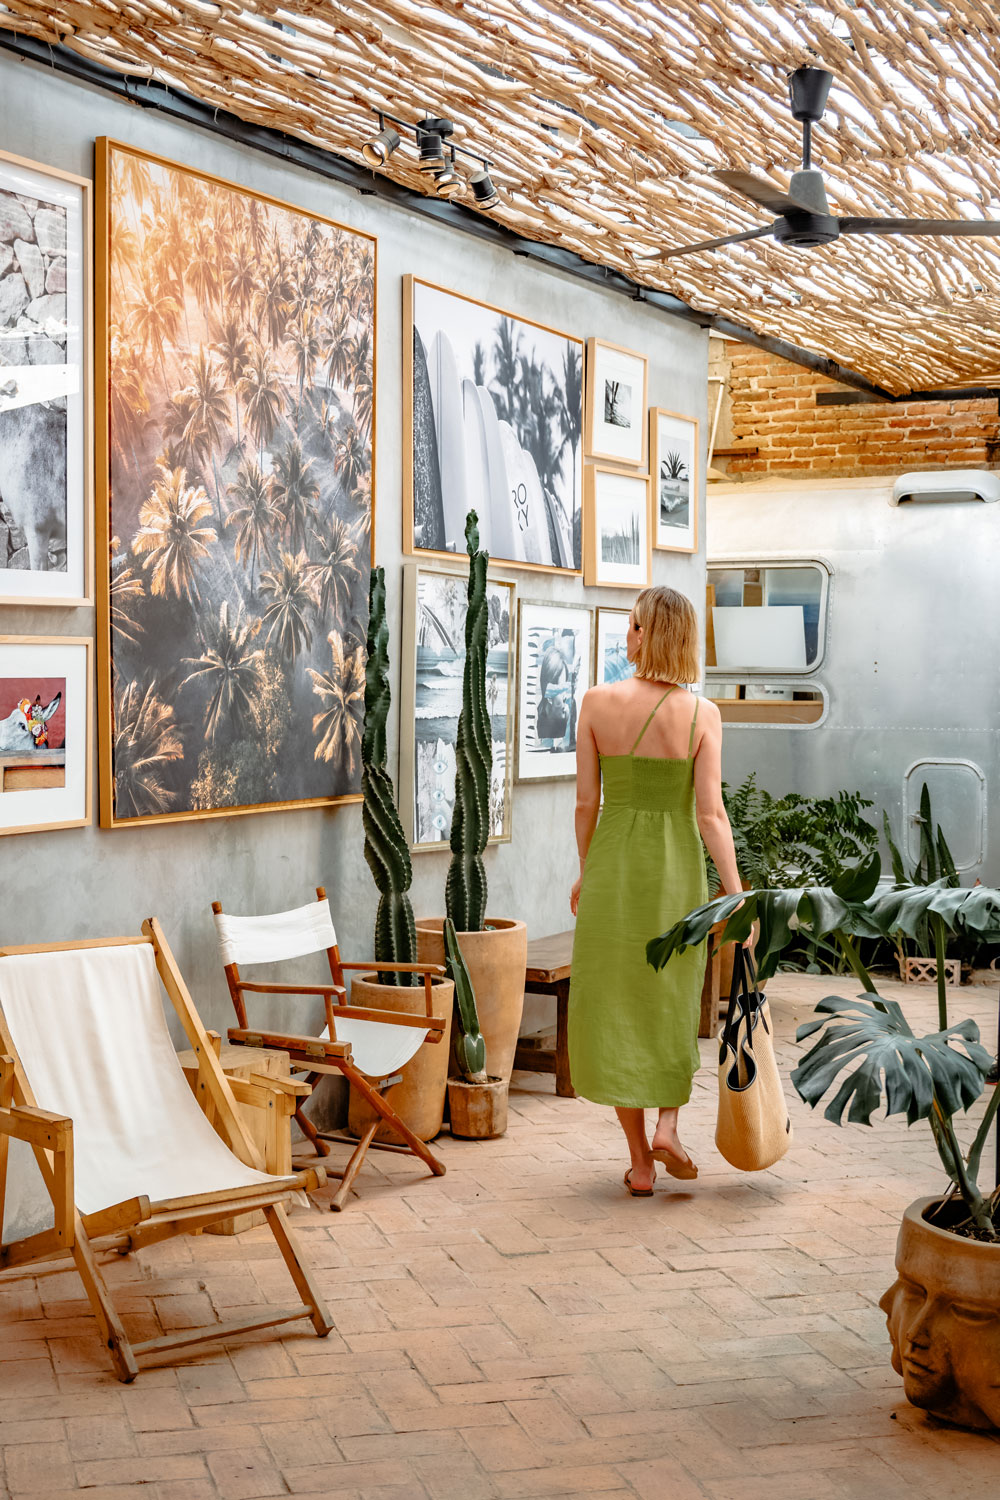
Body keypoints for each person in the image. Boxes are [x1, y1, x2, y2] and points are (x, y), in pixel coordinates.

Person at [568, 585, 746, 1195]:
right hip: (676, 878)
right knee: (669, 1002)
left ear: (647, 633)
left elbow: (587, 804)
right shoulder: (703, 715)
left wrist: (588, 871)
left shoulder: (596, 702)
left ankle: (641, 1163)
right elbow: (711, 815)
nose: (626, 635)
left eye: (632, 625)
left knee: (619, 1005)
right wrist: (735, 891)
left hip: (614, 876)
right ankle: (670, 1125)